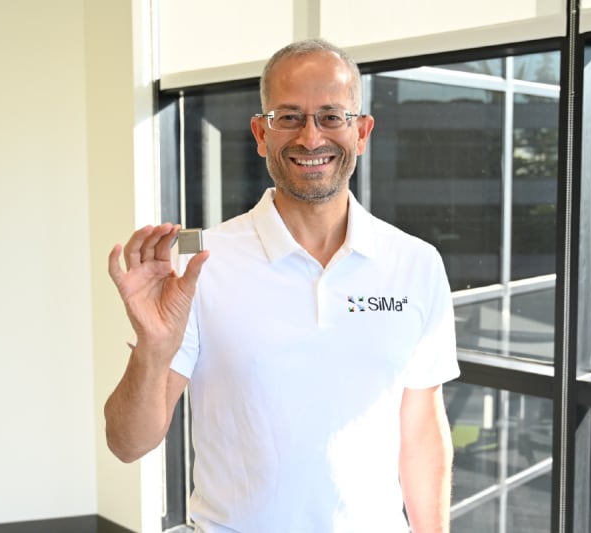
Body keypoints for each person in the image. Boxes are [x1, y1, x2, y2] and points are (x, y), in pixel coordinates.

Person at [105, 38, 460, 532]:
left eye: (331, 116)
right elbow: (128, 443)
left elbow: (421, 432)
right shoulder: (199, 265)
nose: (310, 138)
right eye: (289, 117)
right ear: (261, 133)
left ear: (361, 132)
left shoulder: (416, 263)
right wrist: (152, 347)